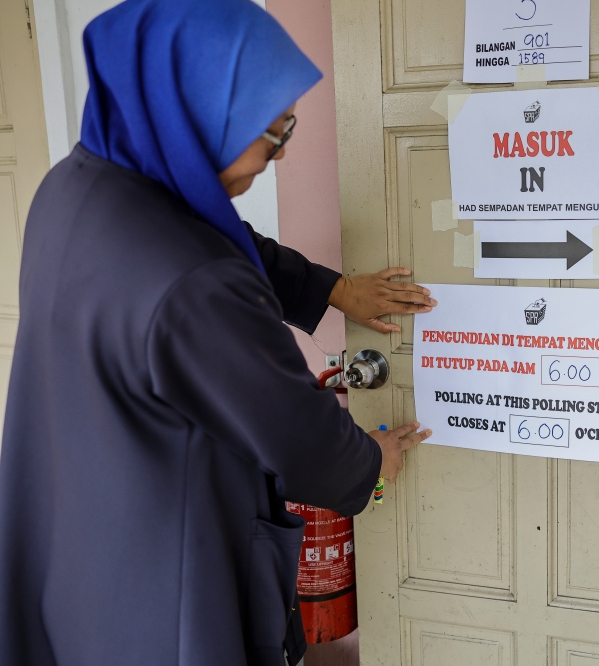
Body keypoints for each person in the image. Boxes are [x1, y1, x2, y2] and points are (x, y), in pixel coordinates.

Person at [0, 1, 432, 664]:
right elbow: (300, 442)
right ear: (192, 116)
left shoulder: (78, 185)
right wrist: (372, 463)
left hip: (76, 536)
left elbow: (212, 237)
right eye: (274, 132)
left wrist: (331, 288)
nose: (279, 155)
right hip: (166, 583)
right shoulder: (196, 284)